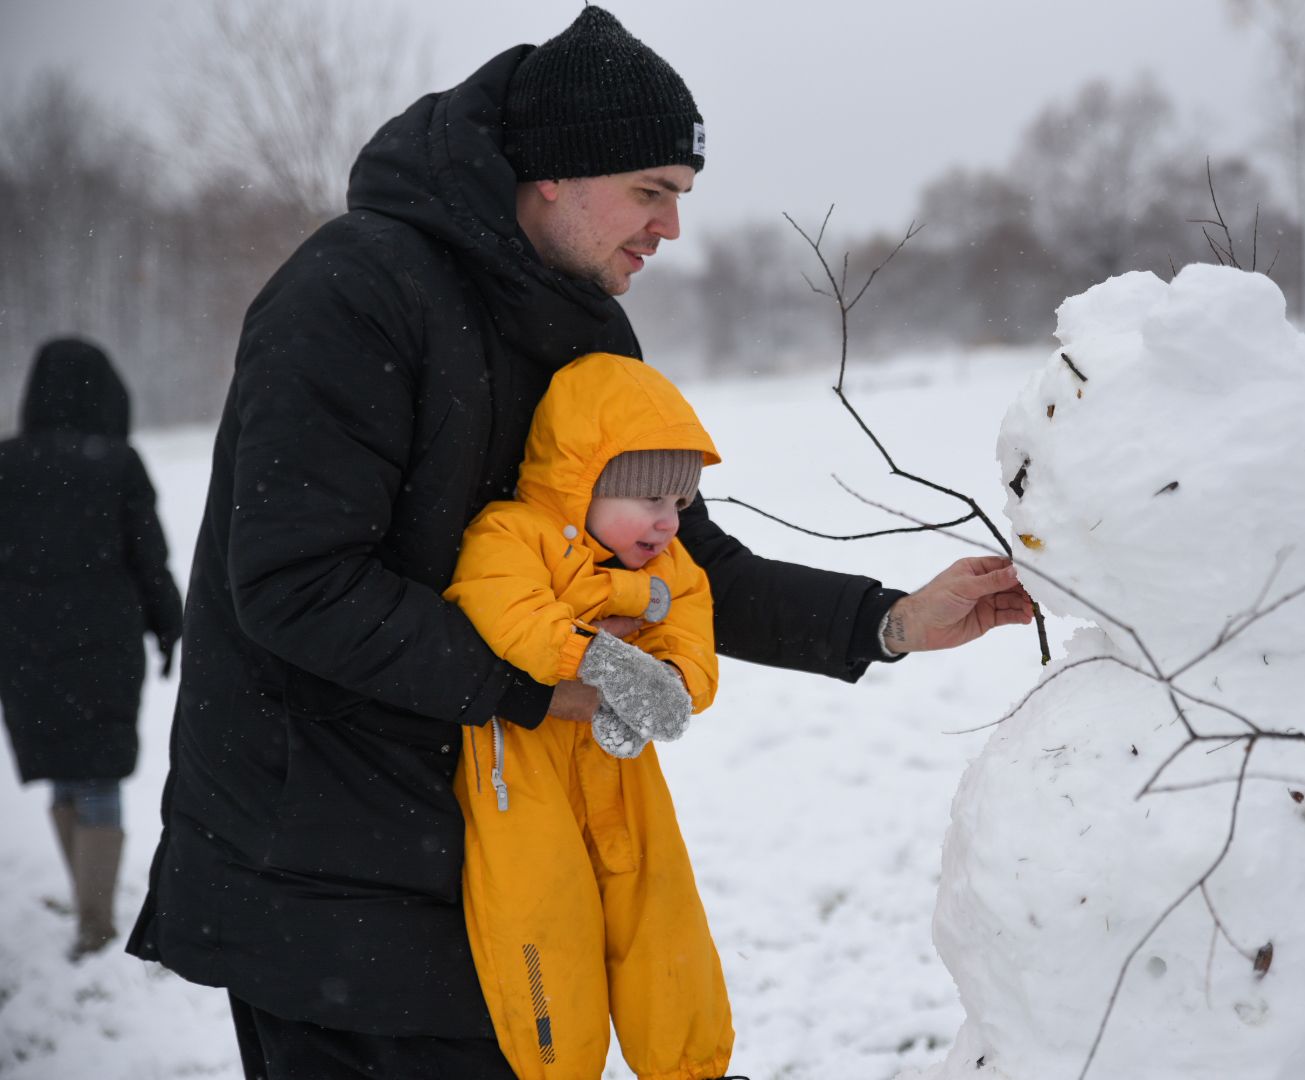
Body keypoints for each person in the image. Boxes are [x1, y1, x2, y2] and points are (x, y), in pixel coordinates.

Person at [129, 7, 1031, 1078]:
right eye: (653, 191)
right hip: (322, 868)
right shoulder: (352, 291)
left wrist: (885, 621)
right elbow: (299, 584)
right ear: (555, 173)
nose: (672, 230)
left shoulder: (584, 324)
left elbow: (680, 559)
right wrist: (546, 688)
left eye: (681, 197)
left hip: (500, 848)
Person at [448, 351, 731, 1080]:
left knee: (660, 918)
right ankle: (556, 1067)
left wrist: (669, 680)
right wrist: (601, 663)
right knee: (544, 923)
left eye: (680, 505)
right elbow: (510, 614)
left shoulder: (667, 571)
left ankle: (688, 1065)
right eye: (649, 501)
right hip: (526, 778)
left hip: (624, 775)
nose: (668, 524)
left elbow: (693, 633)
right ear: (584, 483)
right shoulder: (510, 535)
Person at [0, 336, 183, 960]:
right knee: (99, 772)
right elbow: (149, 558)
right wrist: (169, 625)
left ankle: (87, 903)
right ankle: (96, 921)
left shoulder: (6, 462)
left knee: (63, 771)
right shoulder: (117, 462)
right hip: (103, 640)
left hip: (23, 645)